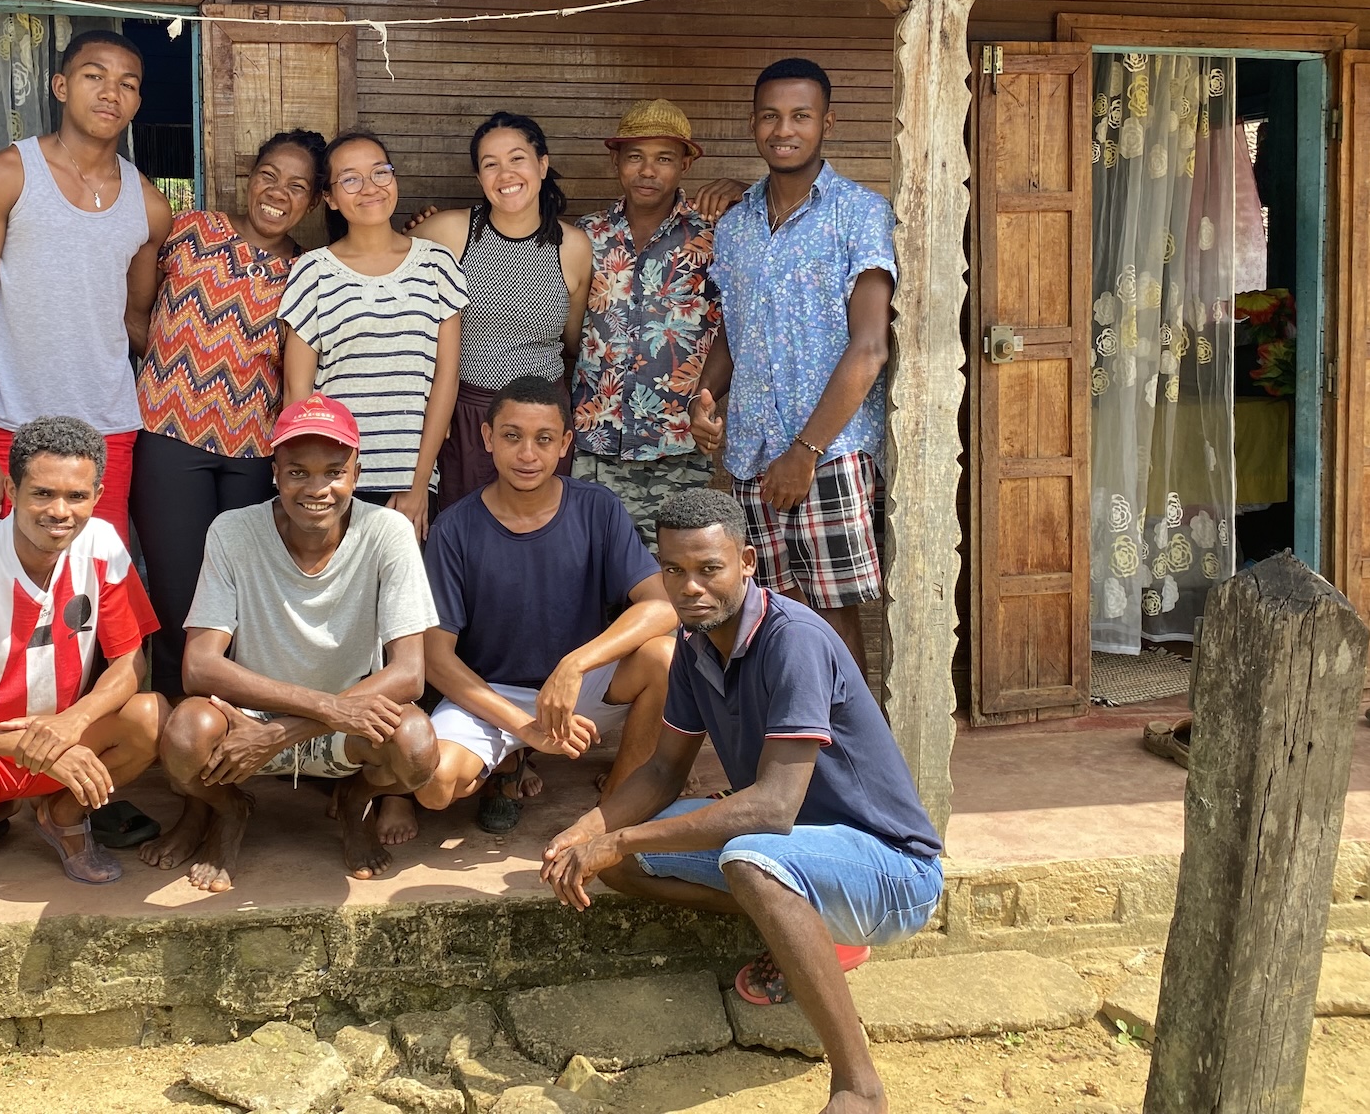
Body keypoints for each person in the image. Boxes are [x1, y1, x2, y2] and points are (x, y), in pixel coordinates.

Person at [541, 489, 942, 1114]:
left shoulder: (794, 642)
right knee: (616, 865)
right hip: (793, 852)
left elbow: (772, 808)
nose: (690, 587)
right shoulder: (696, 646)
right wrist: (584, 834)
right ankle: (802, 935)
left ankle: (859, 1087)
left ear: (748, 562)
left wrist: (618, 836)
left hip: (890, 867)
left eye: (709, 569)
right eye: (673, 570)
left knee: (747, 857)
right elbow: (664, 771)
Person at [139, 394, 439, 891]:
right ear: (274, 472)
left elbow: (409, 673)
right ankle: (230, 809)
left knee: (416, 747)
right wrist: (315, 711)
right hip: (251, 723)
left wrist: (286, 731)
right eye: (298, 471)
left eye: (333, 471)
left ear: (356, 474)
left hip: (347, 721)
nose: (316, 488)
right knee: (185, 734)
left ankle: (352, 802)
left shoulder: (387, 532)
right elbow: (199, 666)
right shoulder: (234, 531)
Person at [0, 416, 169, 917]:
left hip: (66, 740)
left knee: (151, 716)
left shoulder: (103, 545)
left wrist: (72, 723)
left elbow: (130, 662)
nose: (60, 512)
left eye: (77, 496)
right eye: (42, 494)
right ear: (11, 490)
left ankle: (64, 817)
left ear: (97, 494)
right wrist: (29, 747)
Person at [691, 58, 893, 677]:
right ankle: (794, 755)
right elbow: (736, 326)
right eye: (771, 116)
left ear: (827, 123)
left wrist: (805, 451)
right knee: (778, 615)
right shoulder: (738, 222)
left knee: (833, 619)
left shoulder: (858, 212)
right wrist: (707, 393)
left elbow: (870, 348)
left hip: (827, 454)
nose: (785, 129)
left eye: (801, 116)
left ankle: (853, 763)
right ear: (753, 125)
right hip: (754, 454)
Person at [410, 374, 677, 841]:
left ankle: (616, 803)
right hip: (491, 694)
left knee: (664, 657)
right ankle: (509, 759)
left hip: (578, 690)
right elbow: (436, 657)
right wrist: (524, 727)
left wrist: (575, 665)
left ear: (565, 444)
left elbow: (662, 606)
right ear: (487, 438)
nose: (528, 454)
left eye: (544, 439)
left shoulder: (598, 508)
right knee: (435, 787)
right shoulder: (455, 528)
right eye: (512, 436)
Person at [0, 28, 174, 546]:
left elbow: (136, 322)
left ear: (138, 100)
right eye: (95, 76)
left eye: (128, 84)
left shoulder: (149, 207)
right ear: (61, 86)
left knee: (87, 595)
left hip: (106, 433)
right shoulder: (7, 175)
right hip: (11, 424)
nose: (111, 93)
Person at [130, 130, 328, 698]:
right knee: (174, 592)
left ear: (313, 202)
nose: (277, 192)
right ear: (250, 177)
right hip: (168, 439)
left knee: (237, 593)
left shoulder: (310, 272)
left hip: (252, 454)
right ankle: (175, 727)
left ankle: (227, 723)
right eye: (269, 175)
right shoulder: (192, 231)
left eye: (297, 186)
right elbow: (134, 312)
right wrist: (173, 373)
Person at [280, 130, 468, 540]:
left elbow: (445, 380)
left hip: (409, 482)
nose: (369, 188)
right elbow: (298, 391)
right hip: (330, 481)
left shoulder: (437, 264)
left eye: (379, 172)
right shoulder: (312, 271)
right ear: (329, 197)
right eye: (350, 179)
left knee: (398, 601)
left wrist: (419, 483)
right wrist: (309, 481)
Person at [417, 112, 592, 515]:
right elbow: (385, 259)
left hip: (542, 418)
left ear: (542, 165)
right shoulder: (447, 232)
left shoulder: (574, 247)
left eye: (517, 159)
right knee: (463, 529)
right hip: (465, 414)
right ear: (479, 177)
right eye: (489, 164)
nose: (504, 173)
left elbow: (571, 342)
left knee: (538, 529)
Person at [571, 99, 725, 548]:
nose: (648, 171)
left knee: (675, 581)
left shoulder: (712, 238)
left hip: (675, 447)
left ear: (685, 164)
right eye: (635, 156)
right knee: (594, 580)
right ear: (616, 160)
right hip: (593, 448)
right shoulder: (586, 235)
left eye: (664, 159)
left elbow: (734, 330)